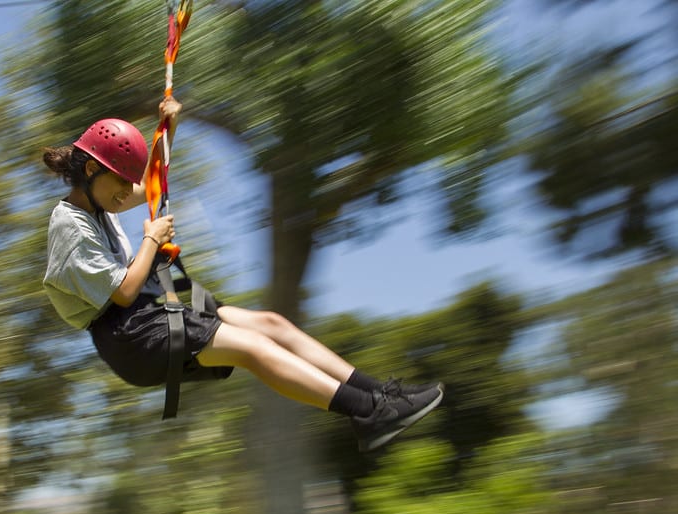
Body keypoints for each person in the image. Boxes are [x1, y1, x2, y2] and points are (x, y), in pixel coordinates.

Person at [42, 97, 444, 452]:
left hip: (146, 312)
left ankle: (384, 395)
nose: (124, 193)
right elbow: (124, 293)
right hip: (130, 337)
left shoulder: (100, 201)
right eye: (119, 183)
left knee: (270, 324)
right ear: (93, 168)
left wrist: (169, 129)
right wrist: (151, 241)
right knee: (251, 347)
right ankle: (369, 413)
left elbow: (149, 186)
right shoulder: (69, 226)